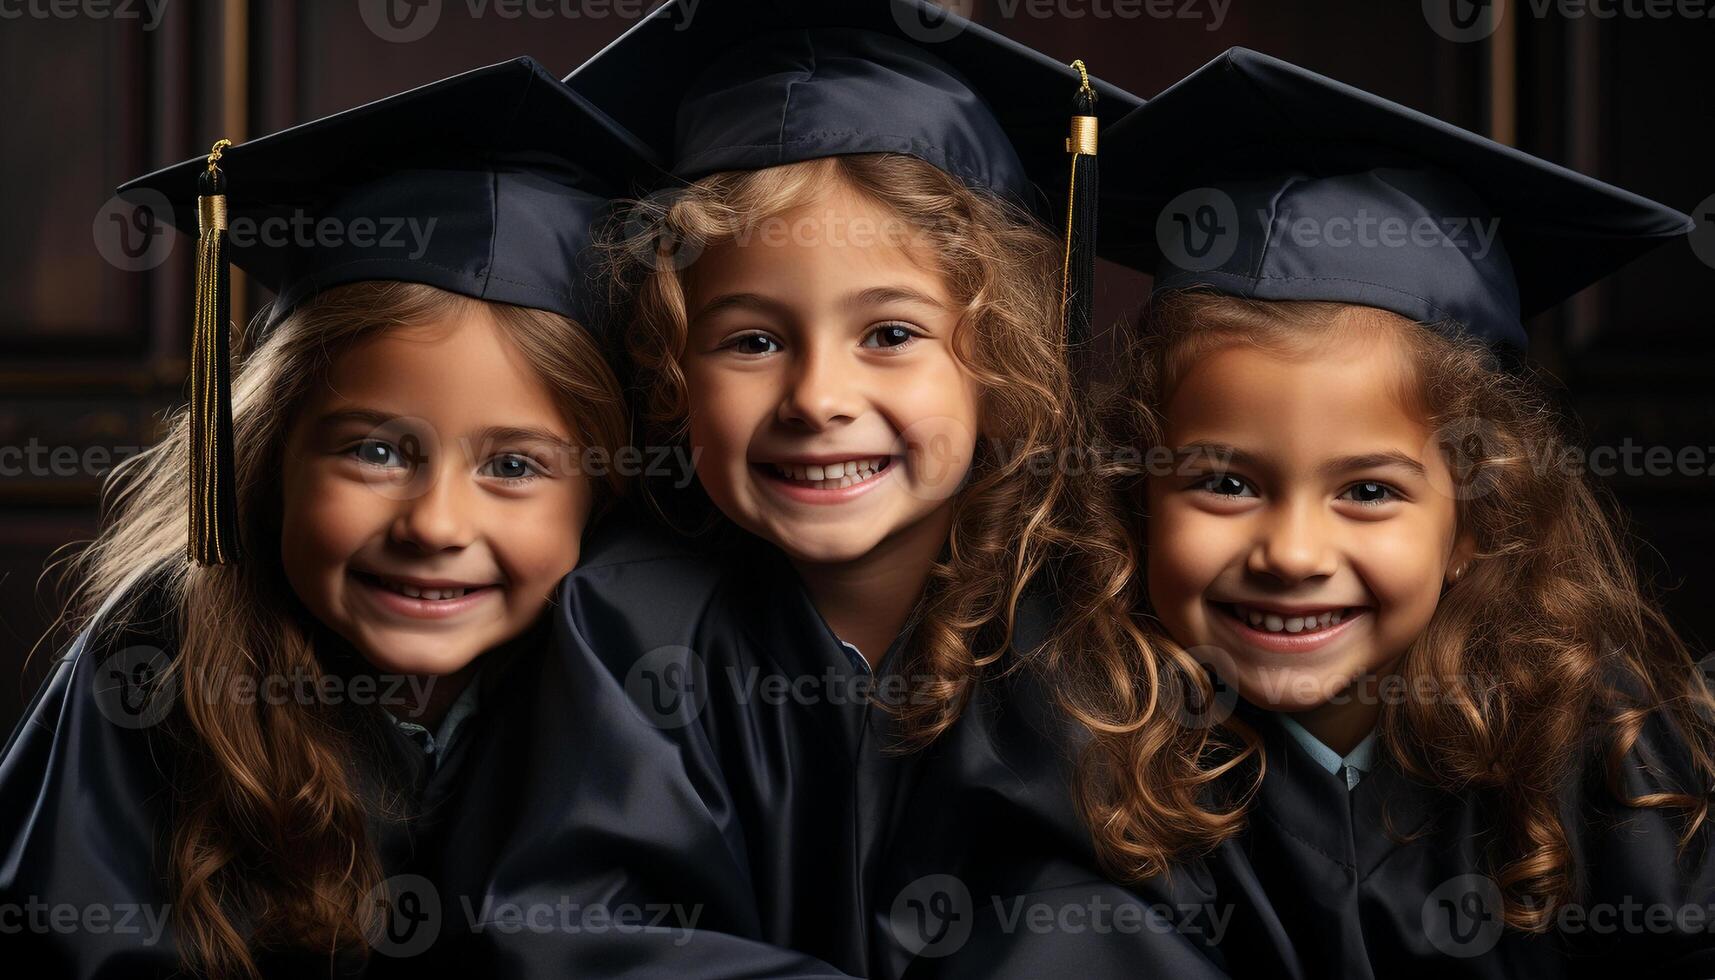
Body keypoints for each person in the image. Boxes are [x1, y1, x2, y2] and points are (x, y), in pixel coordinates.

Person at [431, 1, 1241, 976]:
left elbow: (1116, 920)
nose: (817, 398)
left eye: (888, 334)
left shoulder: (1076, 608)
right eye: (752, 341)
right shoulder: (620, 619)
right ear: (671, 370)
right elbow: (574, 926)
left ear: (996, 357)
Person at [0, 57, 654, 979]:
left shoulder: (637, 669)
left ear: (604, 496)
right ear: (269, 455)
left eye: (513, 466)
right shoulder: (160, 657)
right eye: (375, 452)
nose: (434, 524)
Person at [1102, 47, 1715, 977]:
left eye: (1368, 491)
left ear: (1475, 521)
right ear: (1138, 494)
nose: (1293, 552)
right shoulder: (1095, 743)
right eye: (1225, 483)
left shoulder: (1601, 748)